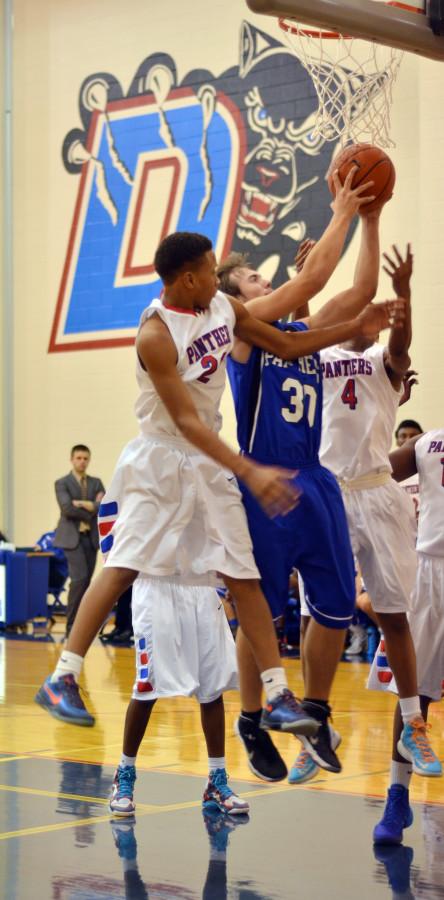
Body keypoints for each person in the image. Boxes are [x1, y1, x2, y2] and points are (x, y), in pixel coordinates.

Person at [34, 229, 391, 735]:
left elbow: (288, 342)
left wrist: (354, 316)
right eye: (209, 269)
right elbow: (187, 422)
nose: (216, 276)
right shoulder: (155, 335)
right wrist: (248, 469)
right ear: (188, 278)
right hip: (162, 456)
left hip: (209, 460)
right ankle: (63, 675)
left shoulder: (222, 309)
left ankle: (276, 694)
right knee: (123, 566)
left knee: (242, 573)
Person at [219, 185, 405, 779]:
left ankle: (318, 711)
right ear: (232, 300)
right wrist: (343, 210)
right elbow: (318, 282)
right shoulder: (242, 332)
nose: (261, 279)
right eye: (249, 277)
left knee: (331, 607)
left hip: (317, 479)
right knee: (263, 613)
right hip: (264, 481)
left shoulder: (298, 332)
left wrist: (372, 220)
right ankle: (251, 718)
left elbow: (357, 292)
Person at [303, 243, 440, 789]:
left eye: (374, 314)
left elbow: (401, 342)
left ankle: (413, 722)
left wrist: (403, 295)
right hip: (329, 493)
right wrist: (306, 279)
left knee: (394, 615)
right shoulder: (314, 354)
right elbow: (302, 321)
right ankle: (315, 723)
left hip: (376, 491)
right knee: (323, 615)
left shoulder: (385, 363)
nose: (367, 317)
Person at [109, 581, 249, 818]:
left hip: (201, 590)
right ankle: (124, 774)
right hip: (156, 591)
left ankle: (216, 780)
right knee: (147, 687)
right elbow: (112, 555)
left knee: (212, 687)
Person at [370, 429, 444, 844]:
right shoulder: (427, 443)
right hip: (429, 571)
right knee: (414, 693)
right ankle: (397, 797)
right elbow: (373, 469)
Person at [53, 445, 105, 637]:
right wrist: (92, 506)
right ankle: (72, 627)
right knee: (79, 579)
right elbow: (67, 509)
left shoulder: (96, 483)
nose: (82, 461)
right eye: (79, 458)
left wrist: (84, 504)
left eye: (85, 458)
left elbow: (103, 506)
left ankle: (83, 626)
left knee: (86, 582)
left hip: (90, 539)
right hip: (71, 539)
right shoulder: (62, 483)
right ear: (72, 460)